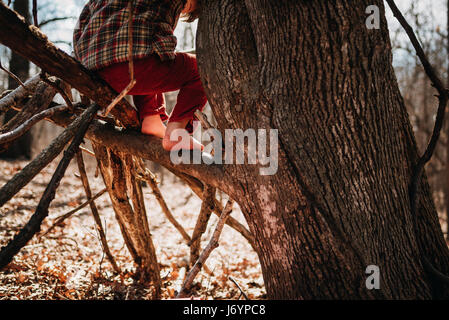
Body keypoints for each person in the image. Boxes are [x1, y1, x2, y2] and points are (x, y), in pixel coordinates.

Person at [73, 0, 206, 150]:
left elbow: (80, 26)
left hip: (93, 71)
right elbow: (162, 48)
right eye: (187, 7)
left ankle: (151, 117)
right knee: (202, 69)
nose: (183, 10)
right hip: (130, 68)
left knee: (143, 49)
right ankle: (177, 134)